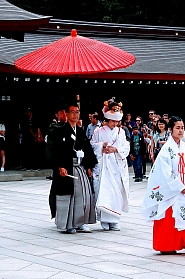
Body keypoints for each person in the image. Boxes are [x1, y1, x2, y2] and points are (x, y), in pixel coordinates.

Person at [142, 116, 185, 257]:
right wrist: (178, 186)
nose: (181, 130)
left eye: (182, 128)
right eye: (178, 128)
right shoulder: (166, 150)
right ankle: (168, 245)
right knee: (170, 218)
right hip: (172, 191)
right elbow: (164, 172)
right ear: (170, 130)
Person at [51, 102, 98, 233]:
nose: (75, 114)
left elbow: (87, 149)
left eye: (77, 112)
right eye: (72, 112)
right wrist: (60, 166)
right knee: (68, 197)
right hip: (66, 168)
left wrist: (89, 166)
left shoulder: (81, 131)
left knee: (84, 196)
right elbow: (55, 151)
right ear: (66, 114)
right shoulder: (59, 131)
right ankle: (68, 224)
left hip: (80, 166)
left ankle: (81, 222)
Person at [91, 99, 130, 231]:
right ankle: (104, 219)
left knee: (116, 191)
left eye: (116, 121)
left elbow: (126, 146)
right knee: (104, 191)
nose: (114, 123)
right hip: (104, 165)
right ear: (107, 120)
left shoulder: (121, 132)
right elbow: (91, 145)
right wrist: (101, 146)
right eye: (112, 121)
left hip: (116, 164)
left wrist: (116, 149)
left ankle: (114, 220)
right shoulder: (98, 131)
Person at [47, 105, 68, 218]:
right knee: (58, 189)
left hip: (72, 162)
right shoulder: (53, 127)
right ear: (57, 115)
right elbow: (52, 148)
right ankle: (57, 214)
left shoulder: (73, 127)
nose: (64, 115)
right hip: (59, 163)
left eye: (66, 112)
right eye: (61, 112)